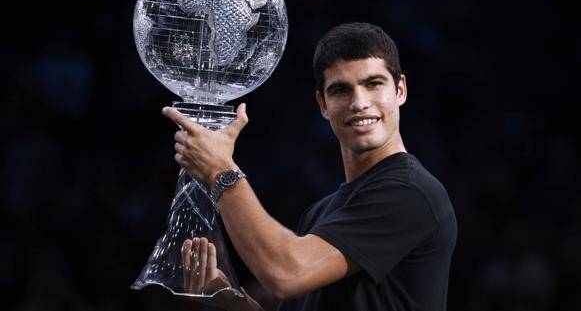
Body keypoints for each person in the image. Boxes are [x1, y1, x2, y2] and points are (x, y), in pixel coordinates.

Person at [163, 22, 457, 311]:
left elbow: (285, 274)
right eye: (341, 90)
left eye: (373, 84)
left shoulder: (412, 193)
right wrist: (232, 303)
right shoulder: (319, 214)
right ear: (323, 105)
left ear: (400, 90)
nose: (359, 102)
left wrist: (220, 171)